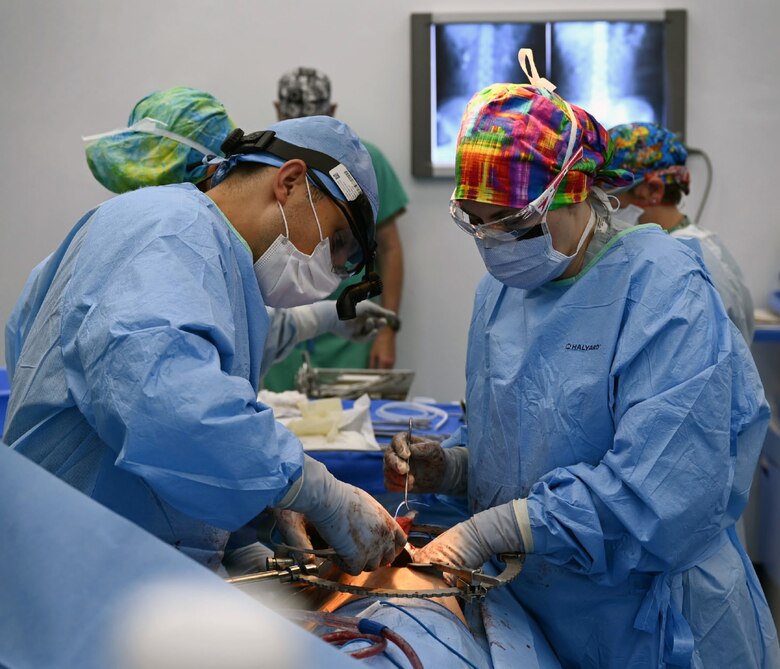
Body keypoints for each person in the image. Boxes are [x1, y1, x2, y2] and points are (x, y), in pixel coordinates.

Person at [383, 51, 780, 667]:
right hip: (534, 609)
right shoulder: (501, 292)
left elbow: (662, 492)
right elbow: (531, 446)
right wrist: (455, 468)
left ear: (574, 192)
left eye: (511, 223)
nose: (493, 244)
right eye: (476, 223)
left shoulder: (665, 290)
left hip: (648, 622)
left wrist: (496, 530)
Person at [4, 114, 406, 576]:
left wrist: (243, 531)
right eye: (338, 241)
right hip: (73, 569)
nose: (333, 266)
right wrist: (311, 489)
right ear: (290, 182)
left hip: (125, 563)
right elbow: (171, 409)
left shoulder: (218, 255)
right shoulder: (165, 232)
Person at [264, 66, 407, 390]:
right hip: (280, 330)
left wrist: (387, 329)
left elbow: (390, 248)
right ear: (277, 113)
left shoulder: (365, 163)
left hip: (348, 331)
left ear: (332, 113)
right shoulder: (259, 166)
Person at [607, 122, 755, 342]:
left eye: (610, 196)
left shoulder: (680, 266)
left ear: (652, 190)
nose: (605, 208)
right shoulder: (703, 244)